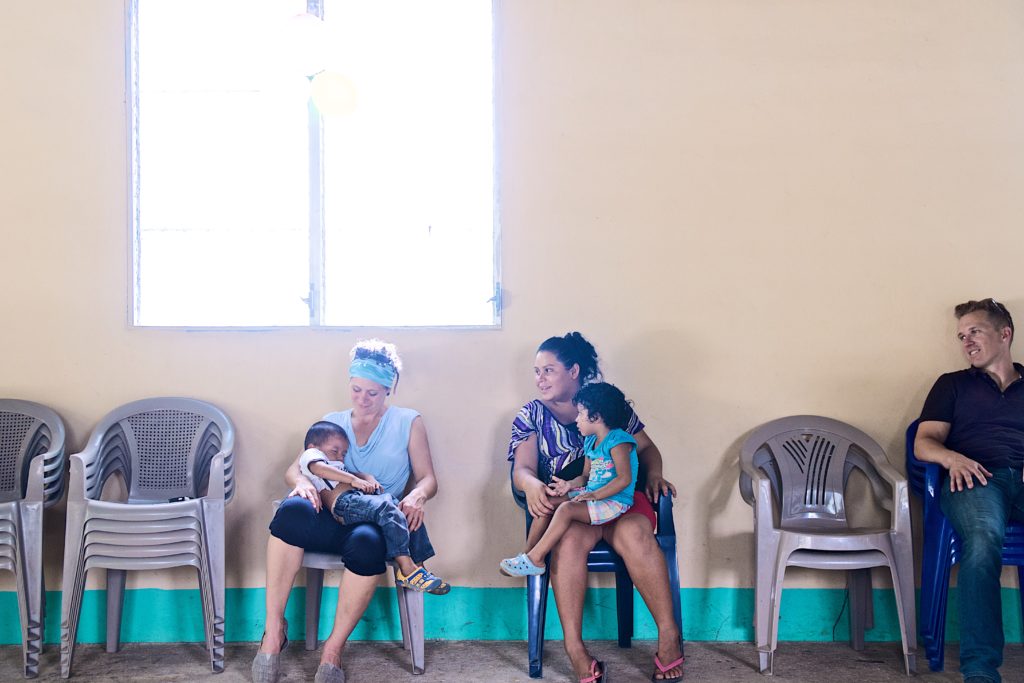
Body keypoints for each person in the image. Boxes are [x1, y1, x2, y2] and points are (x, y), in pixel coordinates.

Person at [253, 340, 442, 683]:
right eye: (356, 389)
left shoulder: (408, 421)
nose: (363, 399)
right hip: (328, 513)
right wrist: (302, 483)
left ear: (389, 388)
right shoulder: (332, 422)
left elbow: (428, 478)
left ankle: (333, 650)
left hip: (371, 520)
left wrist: (417, 496)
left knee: (369, 543)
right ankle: (273, 631)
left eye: (372, 392)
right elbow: (297, 468)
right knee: (292, 511)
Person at [508, 332, 684, 683]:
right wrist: (532, 485)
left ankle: (669, 636)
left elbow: (647, 449)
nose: (540, 379)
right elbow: (522, 469)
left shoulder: (605, 403)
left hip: (621, 501)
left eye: (549, 370)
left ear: (573, 371)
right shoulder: (531, 414)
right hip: (575, 503)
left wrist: (655, 475)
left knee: (635, 534)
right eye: (537, 371)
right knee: (568, 542)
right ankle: (576, 650)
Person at [915, 298, 1024, 683]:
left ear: (1004, 333)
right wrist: (952, 459)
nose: (967, 342)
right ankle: (980, 670)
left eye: (974, 331)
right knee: (981, 541)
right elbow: (924, 442)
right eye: (962, 336)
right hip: (976, 480)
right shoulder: (952, 385)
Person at [501, 382, 639, 576]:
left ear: (596, 417)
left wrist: (595, 495)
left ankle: (536, 559)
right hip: (593, 495)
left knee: (566, 509)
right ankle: (527, 554)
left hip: (614, 501)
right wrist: (569, 485)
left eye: (580, 414)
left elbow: (624, 479)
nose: (576, 419)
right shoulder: (590, 441)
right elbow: (585, 477)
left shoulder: (618, 440)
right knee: (547, 502)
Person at [298, 420, 449, 593]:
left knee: (405, 509)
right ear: (313, 447)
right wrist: (354, 480)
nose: (340, 456)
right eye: (335, 451)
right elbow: (320, 469)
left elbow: (350, 473)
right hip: (344, 504)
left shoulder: (336, 465)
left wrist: (366, 477)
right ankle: (405, 569)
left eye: (344, 453)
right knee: (386, 508)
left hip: (359, 499)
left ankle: (419, 568)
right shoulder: (311, 457)